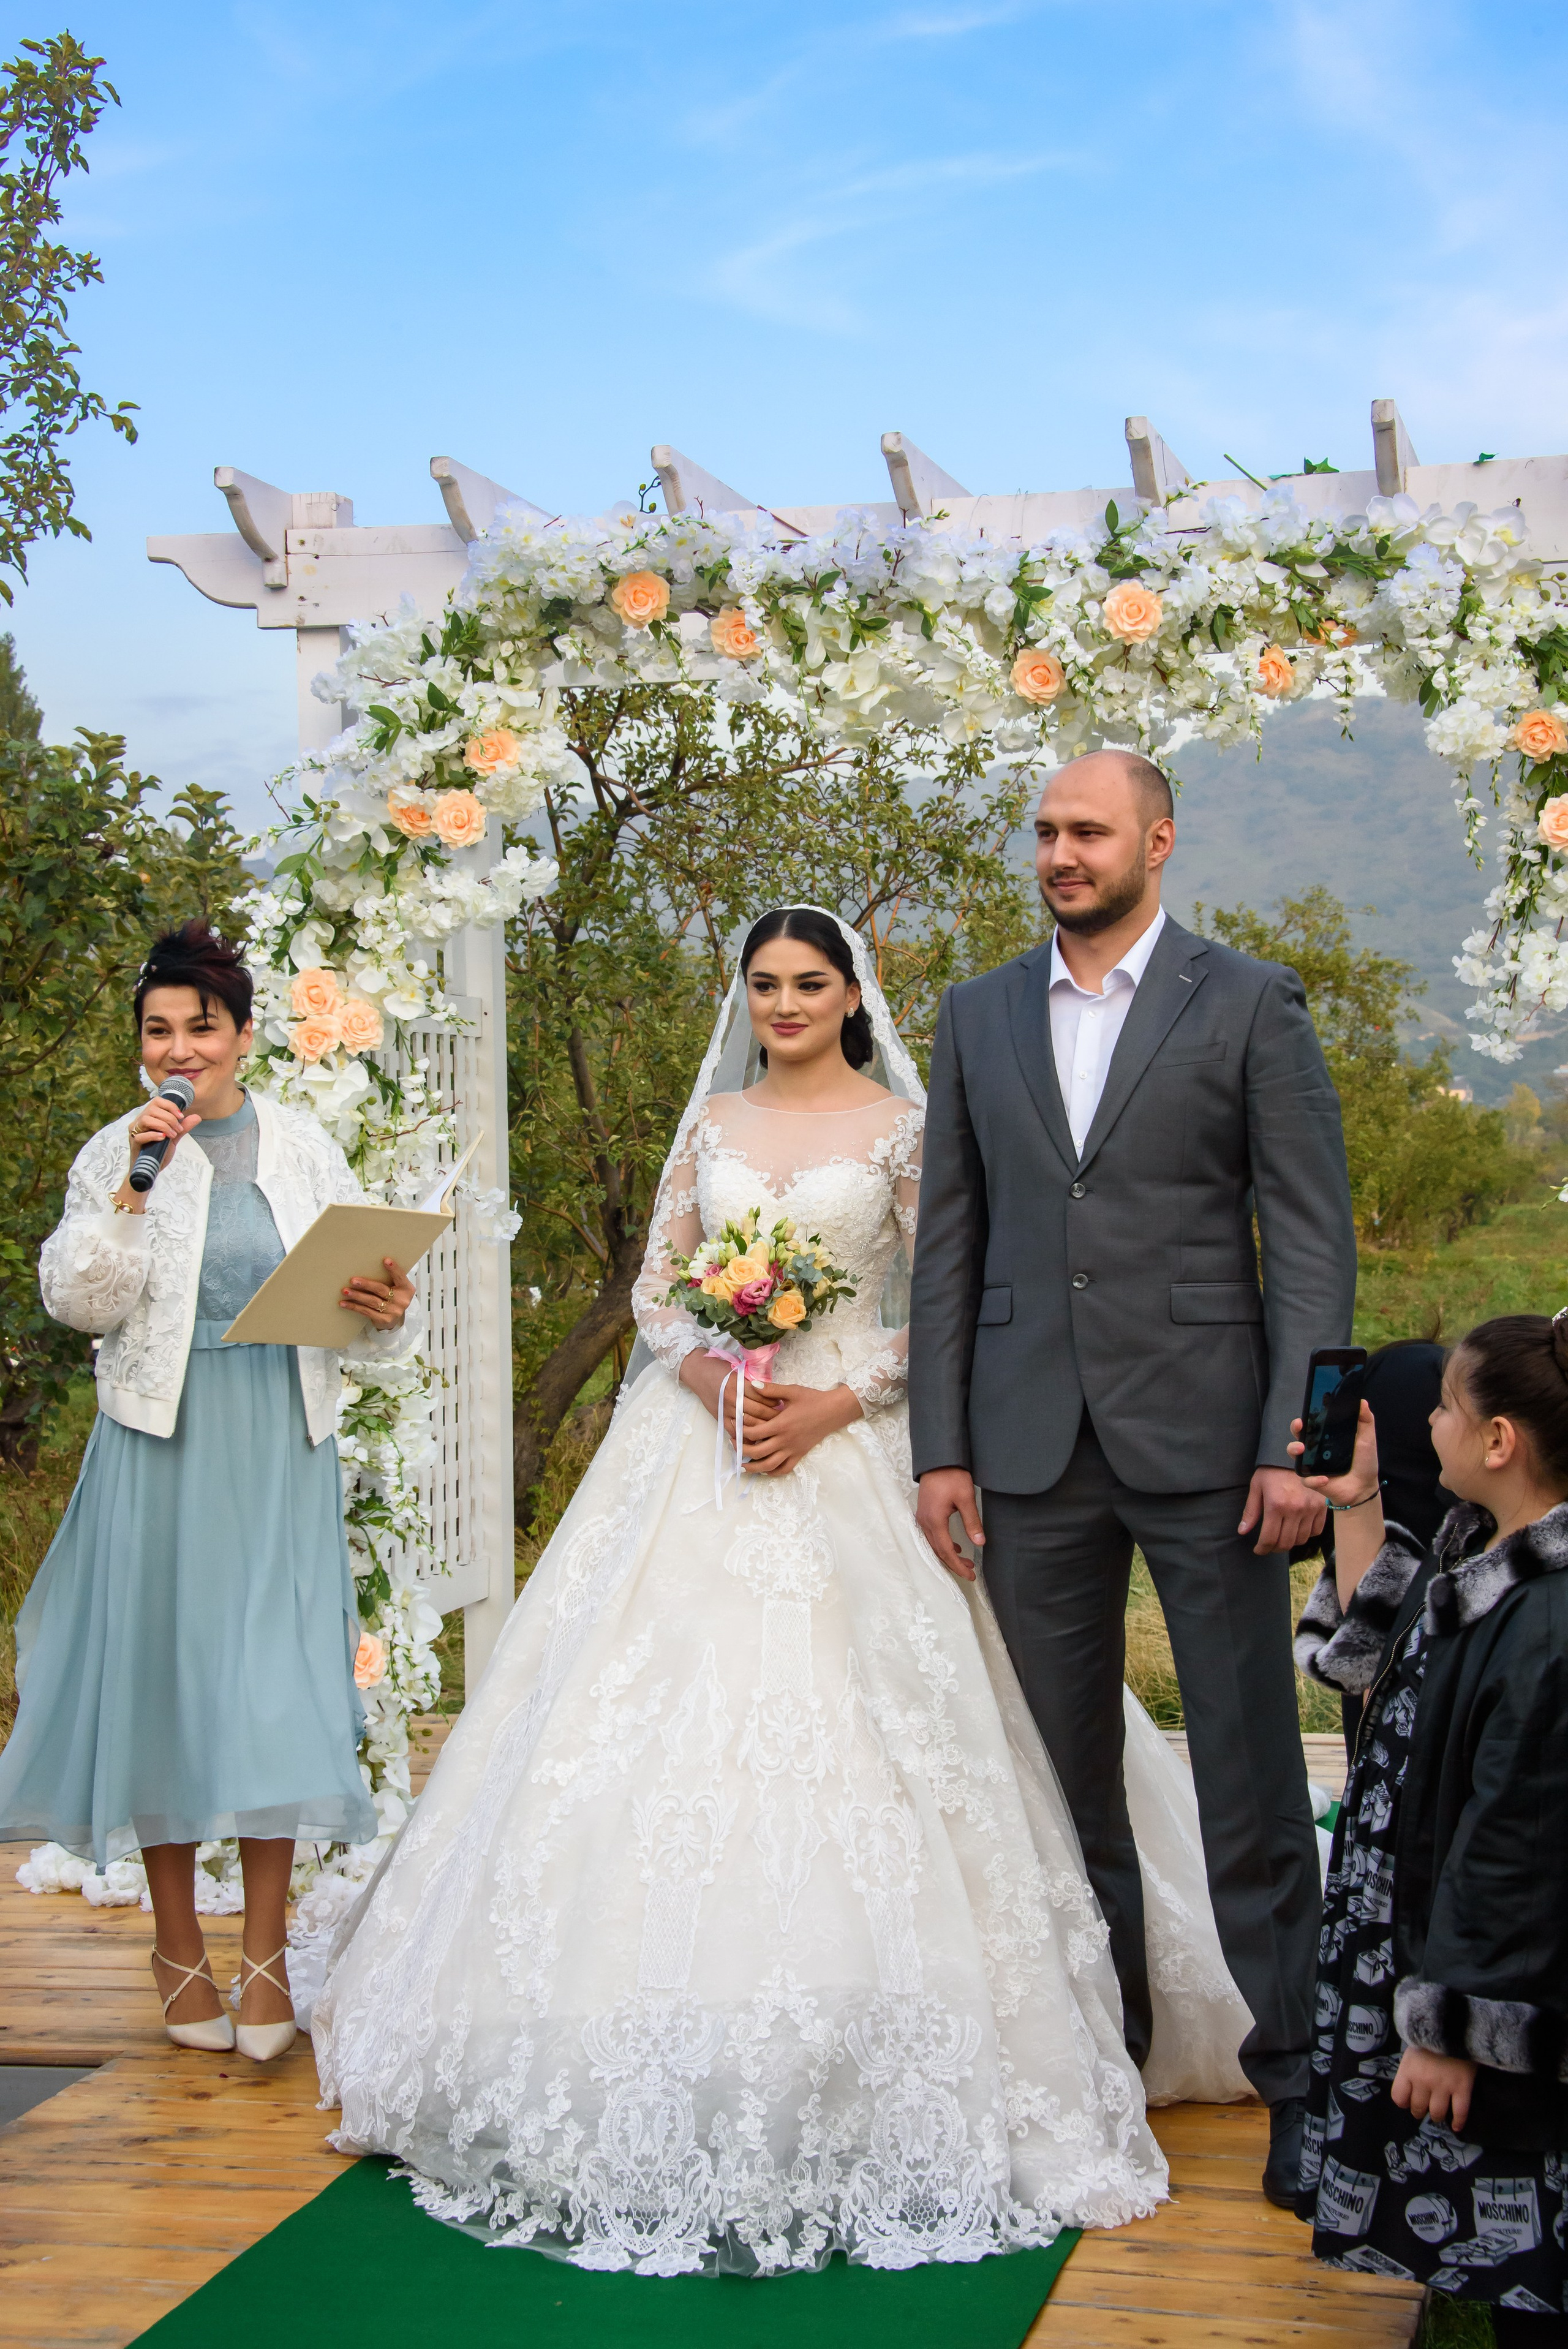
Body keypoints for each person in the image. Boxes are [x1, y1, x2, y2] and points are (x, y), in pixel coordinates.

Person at [311, 905, 1253, 2279]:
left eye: (811, 982)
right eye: (765, 984)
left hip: (851, 1439)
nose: (787, 1003)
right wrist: (711, 1377)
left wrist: (836, 1399)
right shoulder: (714, 1125)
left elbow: (944, 1298)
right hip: (702, 1441)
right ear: (744, 998)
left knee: (891, 1729)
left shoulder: (905, 1129)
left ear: (853, 995)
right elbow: (658, 1289)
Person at [908, 750, 1357, 2205]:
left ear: (1156, 841)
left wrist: (1299, 1447)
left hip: (1213, 1448)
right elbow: (948, 1242)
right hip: (1025, 1446)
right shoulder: (976, 1013)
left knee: (1248, 1771)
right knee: (1058, 1785)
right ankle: (1100, 2070)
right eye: (1044, 830)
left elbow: (1310, 1242)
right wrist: (939, 1445)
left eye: (1087, 830)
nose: (1060, 852)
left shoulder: (1249, 1001)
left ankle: (1300, 2083)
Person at [0, 922, 417, 2061]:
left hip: (280, 1438)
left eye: (203, 1028)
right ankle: (179, 1946)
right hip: (161, 1439)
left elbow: (362, 1319)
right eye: (159, 1031)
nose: (180, 1050)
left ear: (243, 1035)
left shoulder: (305, 1147)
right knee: (167, 1689)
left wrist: (385, 1312)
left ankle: (267, 1952)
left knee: (275, 1686)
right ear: (141, 1043)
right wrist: (132, 1191)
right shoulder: (116, 1150)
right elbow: (80, 1305)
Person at [1293, 1318, 1568, 2342]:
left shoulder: (1546, 1621)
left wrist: (1454, 2026)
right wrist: (1357, 1498)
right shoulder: (1479, 1548)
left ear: (1499, 1441)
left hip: (1483, 1973)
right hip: (1422, 1931)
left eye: (1446, 1407)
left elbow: (1518, 1848)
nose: (1431, 1423)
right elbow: (1367, 1659)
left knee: (1534, 2228)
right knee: (1499, 2231)